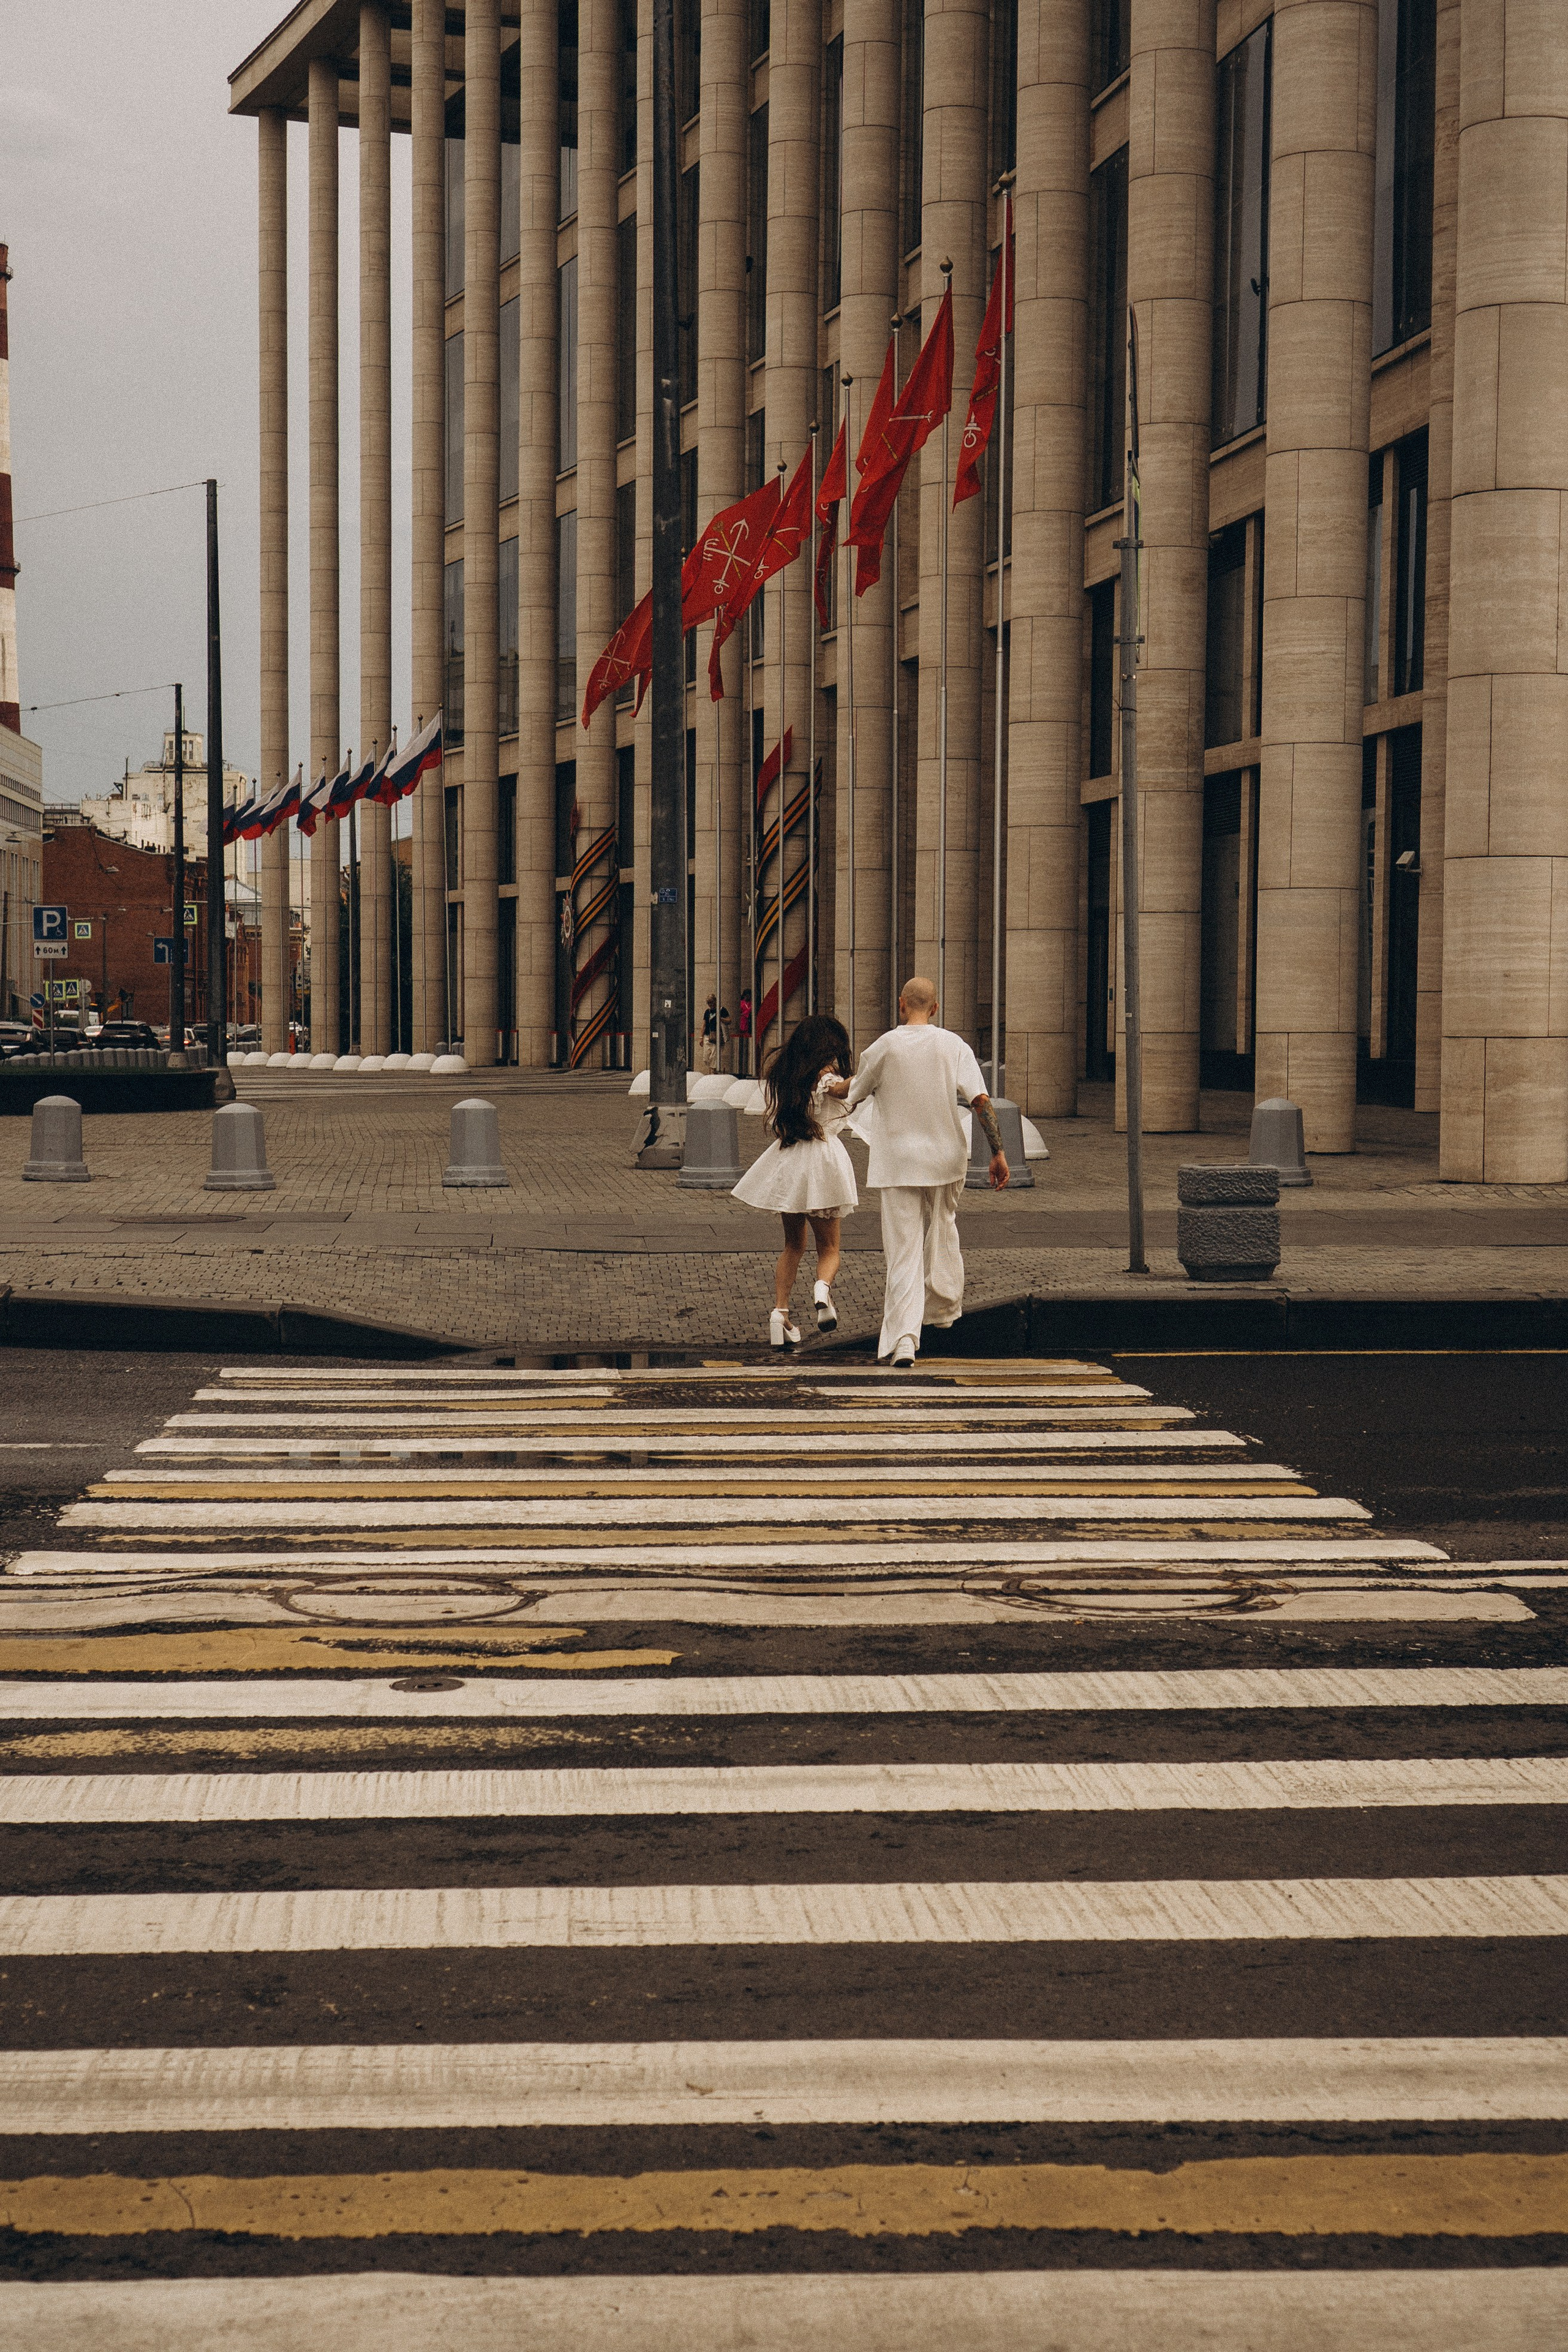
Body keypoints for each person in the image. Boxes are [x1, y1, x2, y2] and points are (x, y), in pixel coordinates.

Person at [829, 974, 1008, 1369]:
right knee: (944, 1227)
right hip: (947, 1160)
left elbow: (852, 1091)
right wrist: (998, 1153)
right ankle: (943, 1304)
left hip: (898, 1164)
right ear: (936, 1008)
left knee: (903, 1252)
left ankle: (905, 1340)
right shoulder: (953, 1045)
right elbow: (981, 1102)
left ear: (900, 1005)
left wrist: (826, 1083)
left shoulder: (885, 1047)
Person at [731, 1012, 857, 1348]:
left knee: (793, 1245)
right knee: (829, 1248)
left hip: (791, 1159)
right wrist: (871, 1075)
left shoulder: (788, 1078)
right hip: (823, 1161)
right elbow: (846, 1091)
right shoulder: (827, 1078)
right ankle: (822, 1291)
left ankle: (780, 1313)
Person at [699, 993, 728, 1074]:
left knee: (714, 1056)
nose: (711, 1005)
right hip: (708, 1035)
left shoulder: (722, 1010)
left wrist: (721, 1019)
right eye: (709, 1003)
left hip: (717, 1036)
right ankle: (713, 1069)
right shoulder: (707, 1012)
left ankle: (713, 1071)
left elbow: (729, 1020)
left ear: (715, 1001)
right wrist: (701, 1037)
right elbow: (704, 1025)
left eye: (712, 1002)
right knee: (706, 1057)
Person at [736, 987, 753, 1076]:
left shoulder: (752, 1003)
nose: (748, 997)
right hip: (742, 1021)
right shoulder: (741, 1003)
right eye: (747, 995)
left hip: (749, 1022)